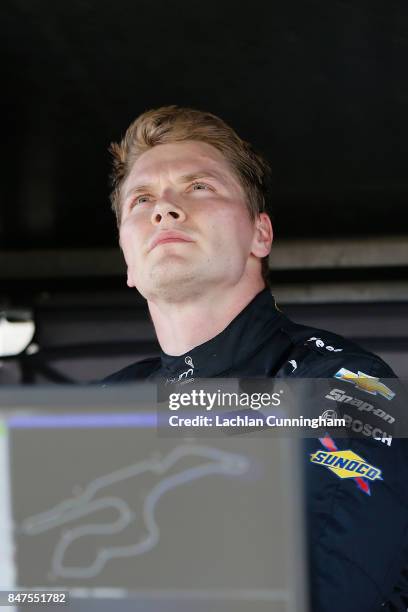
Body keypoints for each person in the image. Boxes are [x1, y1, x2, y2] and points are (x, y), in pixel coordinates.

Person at [105, 106, 408, 611]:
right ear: (127, 259)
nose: (165, 209)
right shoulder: (103, 405)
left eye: (199, 187)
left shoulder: (348, 384)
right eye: (142, 199)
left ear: (260, 234)